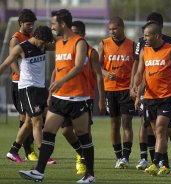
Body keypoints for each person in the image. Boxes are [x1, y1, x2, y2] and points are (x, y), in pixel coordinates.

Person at [19, 9, 95, 183]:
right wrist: (54, 90)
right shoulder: (58, 44)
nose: (52, 27)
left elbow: (78, 67)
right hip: (60, 98)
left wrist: (61, 81)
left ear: (62, 24)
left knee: (83, 135)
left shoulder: (79, 42)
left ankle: (90, 174)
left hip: (77, 98)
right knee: (48, 131)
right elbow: (54, 63)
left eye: (54, 23)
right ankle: (39, 171)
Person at [133, 22, 171, 176]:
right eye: (143, 35)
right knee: (160, 132)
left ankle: (157, 161)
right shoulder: (145, 51)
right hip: (150, 97)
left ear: (157, 35)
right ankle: (164, 165)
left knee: (162, 128)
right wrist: (136, 91)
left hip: (168, 96)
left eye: (147, 35)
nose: (144, 38)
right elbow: (140, 73)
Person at [58, 20, 105, 175]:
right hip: (64, 95)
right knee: (65, 131)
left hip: (85, 96)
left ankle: (84, 162)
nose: (74, 35)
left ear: (83, 34)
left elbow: (99, 76)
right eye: (72, 32)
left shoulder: (91, 52)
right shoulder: (66, 49)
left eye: (77, 32)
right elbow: (57, 70)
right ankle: (81, 152)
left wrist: (101, 98)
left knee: (84, 131)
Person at [98, 16, 135, 169]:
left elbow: (137, 68)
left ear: (122, 28)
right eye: (110, 29)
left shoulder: (132, 45)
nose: (112, 32)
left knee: (126, 122)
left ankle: (126, 157)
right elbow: (97, 67)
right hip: (110, 90)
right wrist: (106, 73)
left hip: (126, 90)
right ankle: (118, 156)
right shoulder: (103, 44)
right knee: (114, 124)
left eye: (115, 29)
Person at [6, 9, 38, 162]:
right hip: (19, 83)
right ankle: (27, 150)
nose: (30, 27)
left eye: (32, 24)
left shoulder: (32, 37)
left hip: (31, 83)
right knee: (27, 118)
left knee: (30, 118)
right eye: (28, 24)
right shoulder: (15, 39)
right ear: (20, 23)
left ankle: (23, 150)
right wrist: (20, 74)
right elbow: (12, 60)